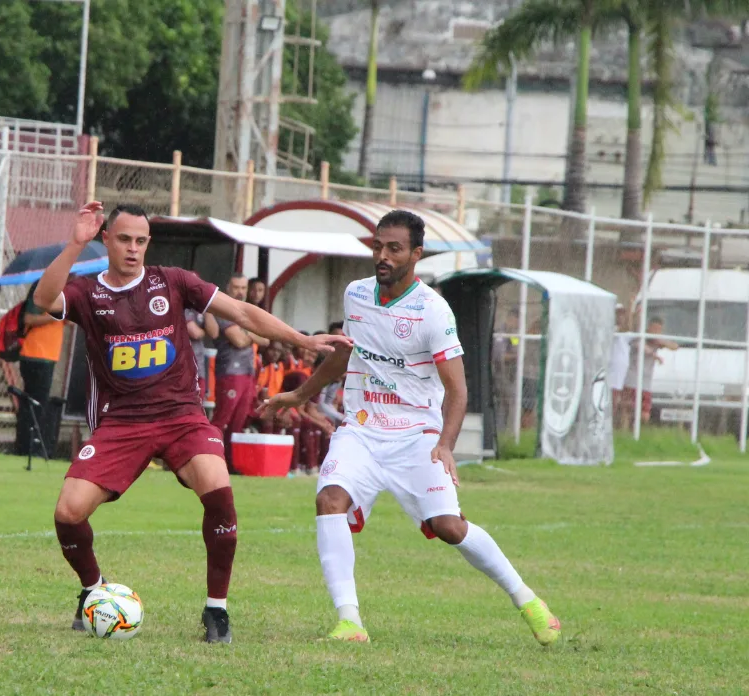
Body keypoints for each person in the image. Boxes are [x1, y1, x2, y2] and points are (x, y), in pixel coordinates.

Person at [31, 202, 350, 644]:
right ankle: (93, 591)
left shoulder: (172, 281)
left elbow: (241, 313)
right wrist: (74, 243)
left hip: (183, 416)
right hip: (121, 422)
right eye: (124, 239)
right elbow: (44, 300)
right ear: (106, 238)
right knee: (68, 514)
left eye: (141, 241)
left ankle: (216, 610)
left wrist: (303, 340)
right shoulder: (88, 293)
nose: (133, 249)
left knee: (220, 492)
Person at [263, 209, 560, 646]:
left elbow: (458, 389)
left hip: (416, 437)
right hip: (361, 429)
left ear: (416, 254)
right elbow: (346, 355)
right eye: (378, 246)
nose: (382, 255)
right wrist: (299, 395)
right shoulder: (356, 294)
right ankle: (350, 622)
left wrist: (445, 445)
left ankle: (528, 600)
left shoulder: (433, 312)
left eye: (394, 248)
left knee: (449, 527)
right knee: (329, 500)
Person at [208, 274, 268, 466]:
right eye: (236, 287)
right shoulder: (223, 309)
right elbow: (239, 341)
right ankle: (211, 460)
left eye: (243, 287)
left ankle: (232, 463)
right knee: (222, 418)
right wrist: (253, 332)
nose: (240, 291)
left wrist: (247, 332)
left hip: (248, 372)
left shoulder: (248, 310)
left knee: (240, 421)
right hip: (230, 370)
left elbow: (266, 339)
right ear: (228, 287)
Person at [15, 281, 65, 457]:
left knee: (38, 403)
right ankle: (26, 448)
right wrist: (54, 316)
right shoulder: (44, 289)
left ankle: (29, 446)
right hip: (36, 355)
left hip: (48, 356)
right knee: (34, 404)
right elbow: (28, 318)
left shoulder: (62, 294)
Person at [622, 316, 678, 426]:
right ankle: (626, 433)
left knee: (645, 415)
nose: (656, 332)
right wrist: (654, 355)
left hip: (646, 382)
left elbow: (675, 346)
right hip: (632, 380)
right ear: (649, 327)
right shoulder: (639, 337)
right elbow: (642, 347)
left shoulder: (656, 341)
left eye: (659, 330)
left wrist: (662, 342)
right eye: (654, 329)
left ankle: (637, 432)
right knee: (627, 410)